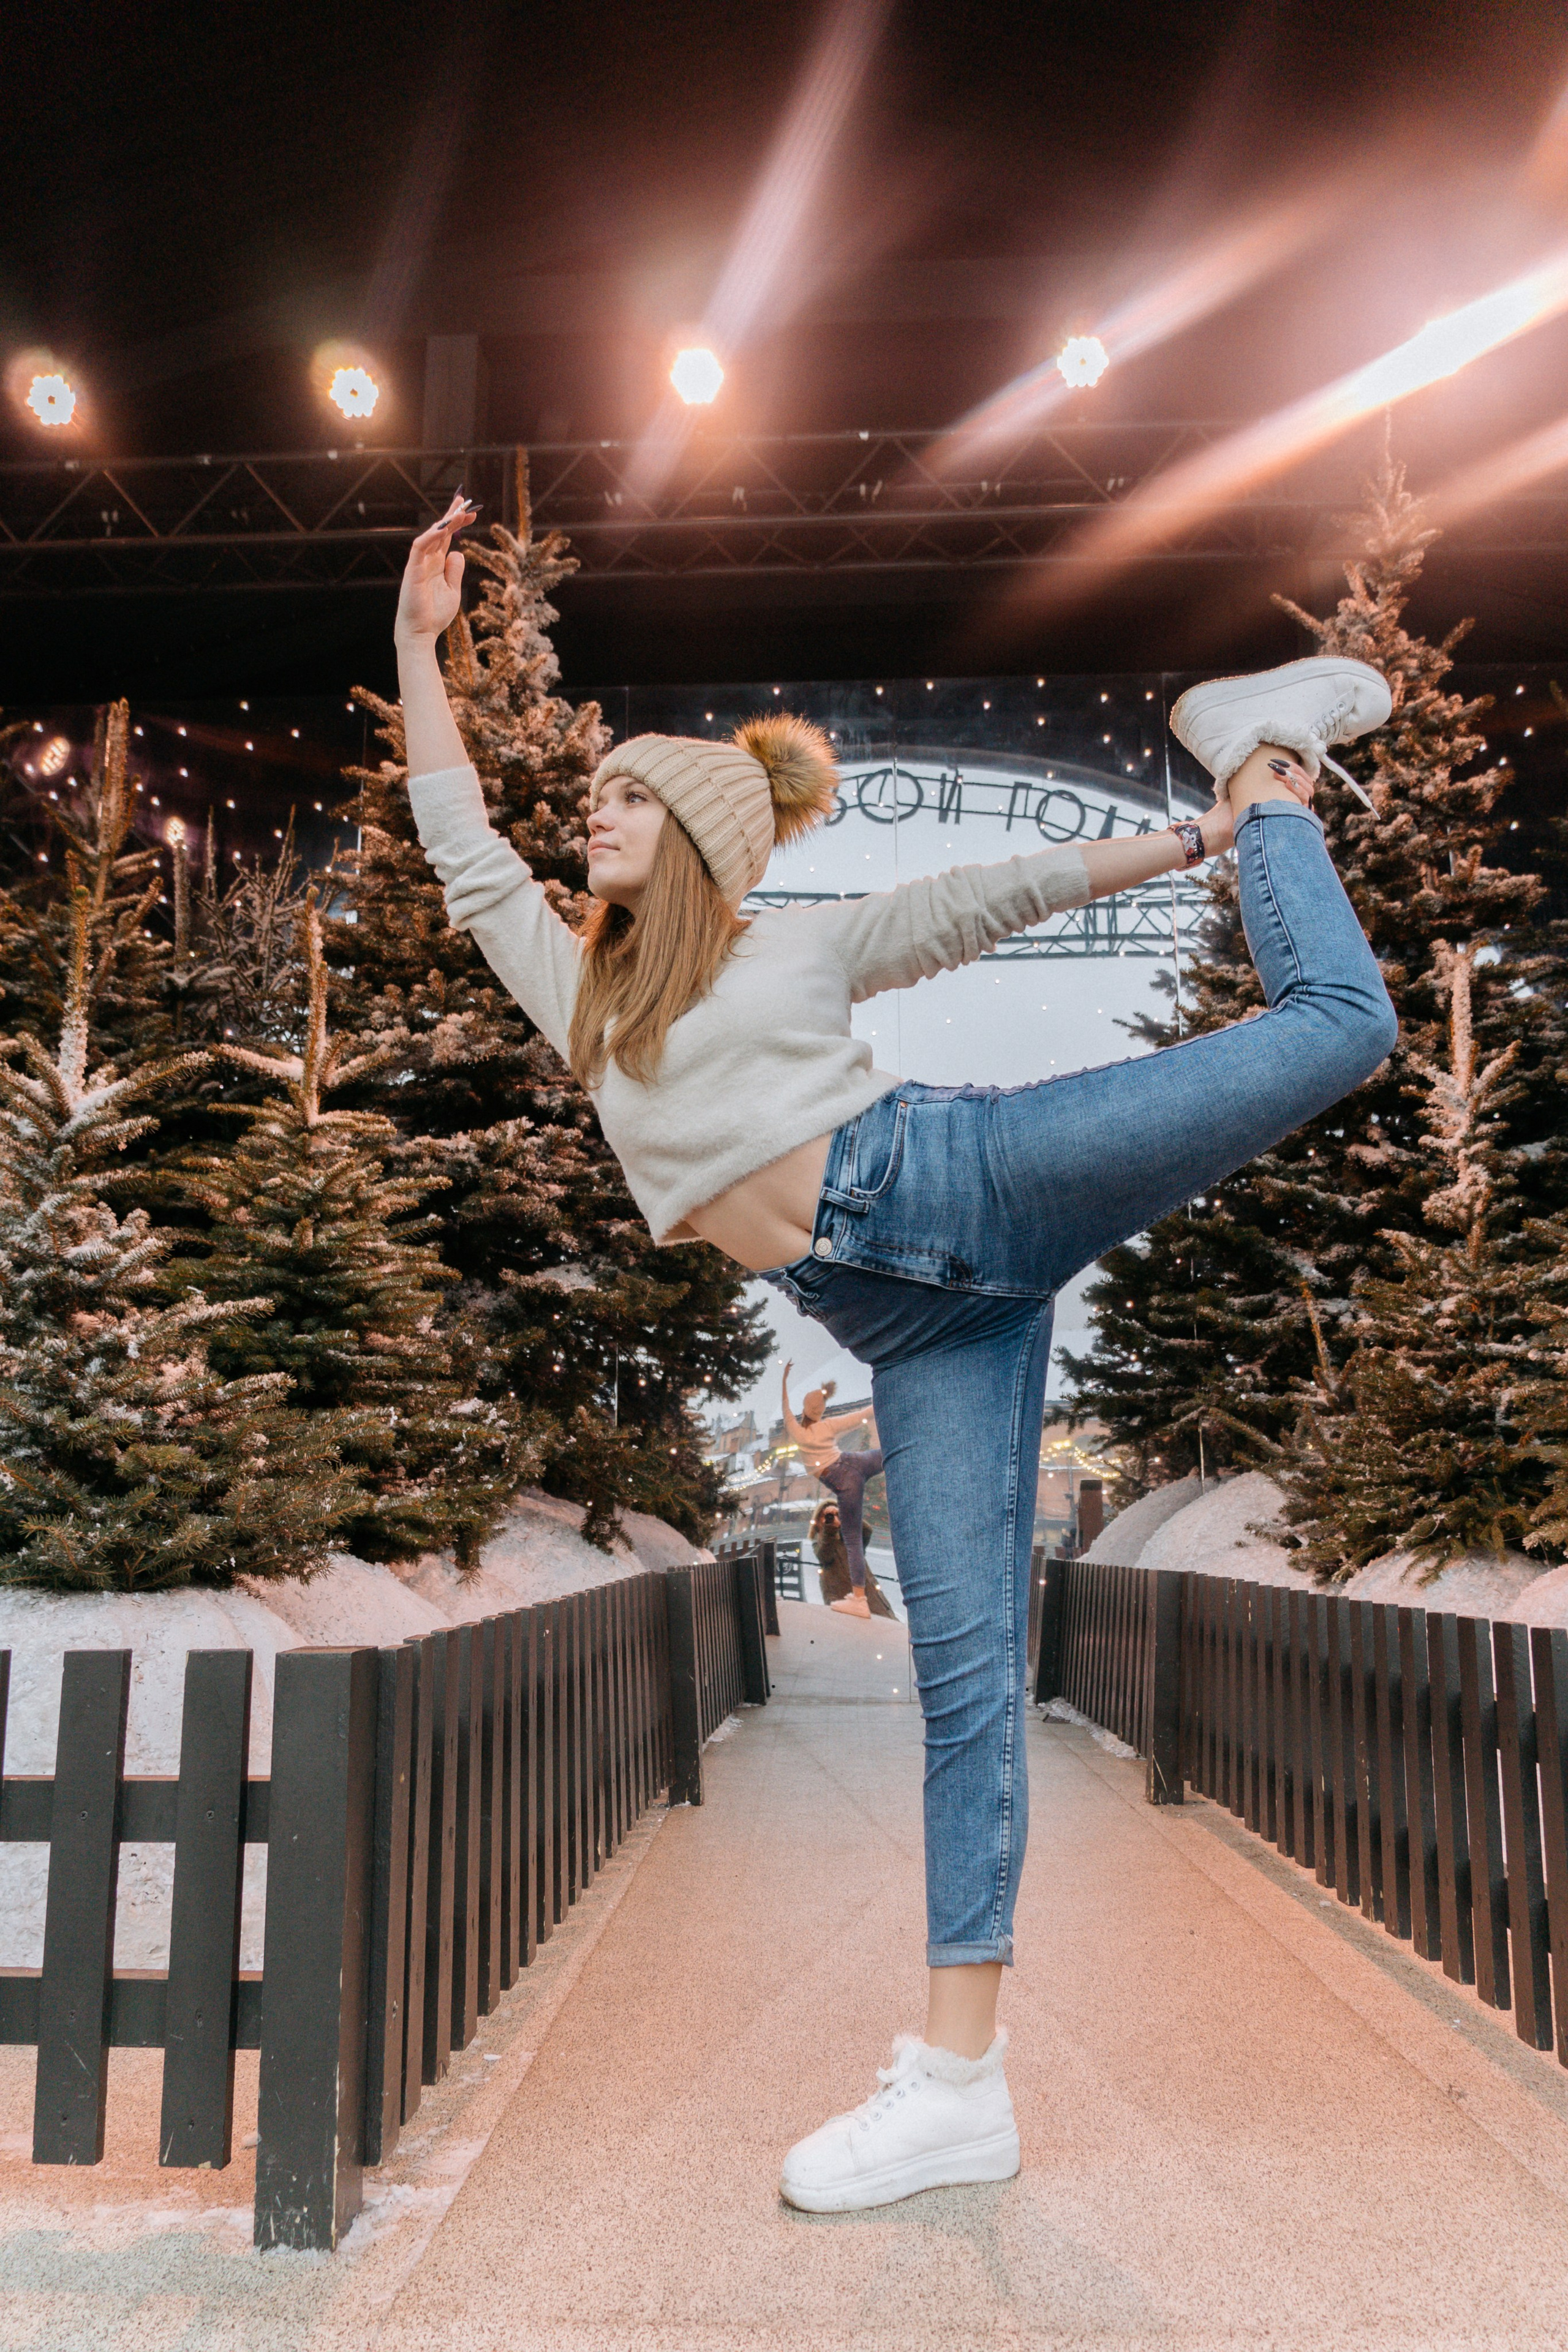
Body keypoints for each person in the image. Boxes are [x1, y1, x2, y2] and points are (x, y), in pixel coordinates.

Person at [396, 493, 1397, 2215]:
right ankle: (958, 2090)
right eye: (594, 793)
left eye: (627, 794)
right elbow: (460, 845)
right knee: (964, 1682)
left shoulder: (793, 947)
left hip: (974, 1175)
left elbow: (985, 894)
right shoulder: (584, 1002)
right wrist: (419, 650)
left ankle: (1268, 763)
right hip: (925, 1321)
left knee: (1341, 1022)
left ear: (696, 835)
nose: (593, 813)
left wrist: (1200, 836)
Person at [780, 1363, 885, 1617]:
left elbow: (785, 1408)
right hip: (855, 1461)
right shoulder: (827, 1426)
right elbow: (861, 1415)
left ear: (805, 1409)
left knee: (852, 1541)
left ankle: (859, 1599)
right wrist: (886, 1397)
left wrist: (784, 1380)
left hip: (844, 1481)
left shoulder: (798, 1432)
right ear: (822, 1410)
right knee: (890, 1454)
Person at [809, 1495, 896, 1618]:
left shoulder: (852, 1538)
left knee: (886, 1624)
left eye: (836, 1515)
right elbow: (825, 1556)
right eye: (827, 1516)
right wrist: (830, 1529)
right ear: (818, 1520)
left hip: (869, 1595)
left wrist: (846, 1515)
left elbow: (867, 1531)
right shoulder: (818, 1542)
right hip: (839, 1597)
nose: (832, 1519)